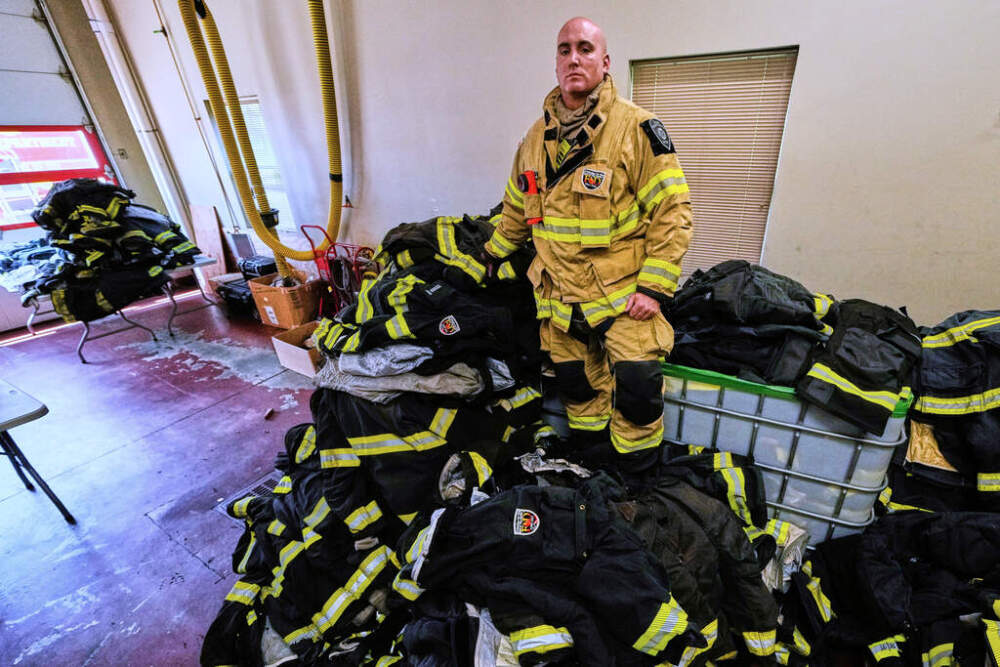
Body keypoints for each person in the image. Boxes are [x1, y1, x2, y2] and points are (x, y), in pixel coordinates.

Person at [483, 17, 693, 471]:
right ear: (556, 62)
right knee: (578, 389)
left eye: (584, 48)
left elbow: (672, 213)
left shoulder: (636, 129)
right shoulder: (534, 140)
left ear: (605, 61)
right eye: (564, 50)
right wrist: (488, 255)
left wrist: (654, 288)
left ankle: (636, 479)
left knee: (638, 392)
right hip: (559, 296)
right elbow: (518, 211)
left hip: (623, 295)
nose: (573, 58)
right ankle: (593, 470)